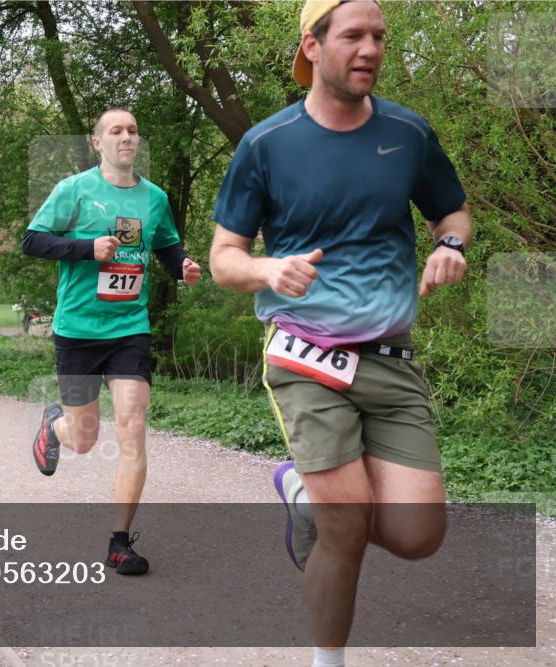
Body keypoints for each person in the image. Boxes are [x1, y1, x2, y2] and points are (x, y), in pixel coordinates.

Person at [208, 1, 471, 665]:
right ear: (313, 45)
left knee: (419, 535)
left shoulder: (408, 133)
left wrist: (450, 245)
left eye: (379, 36)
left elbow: (452, 212)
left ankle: (299, 491)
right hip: (307, 356)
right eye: (353, 35)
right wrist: (269, 268)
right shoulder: (266, 144)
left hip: (391, 359)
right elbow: (224, 258)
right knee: (345, 529)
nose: (370, 49)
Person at [23, 108, 201, 576]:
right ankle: (54, 427)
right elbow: (32, 241)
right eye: (116, 131)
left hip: (129, 328)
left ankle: (119, 542)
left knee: (133, 425)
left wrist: (182, 266)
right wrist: (87, 249)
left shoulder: (154, 198)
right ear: (98, 142)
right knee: (84, 440)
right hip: (78, 330)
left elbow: (166, 244)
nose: (127, 137)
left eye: (133, 131)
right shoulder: (74, 189)